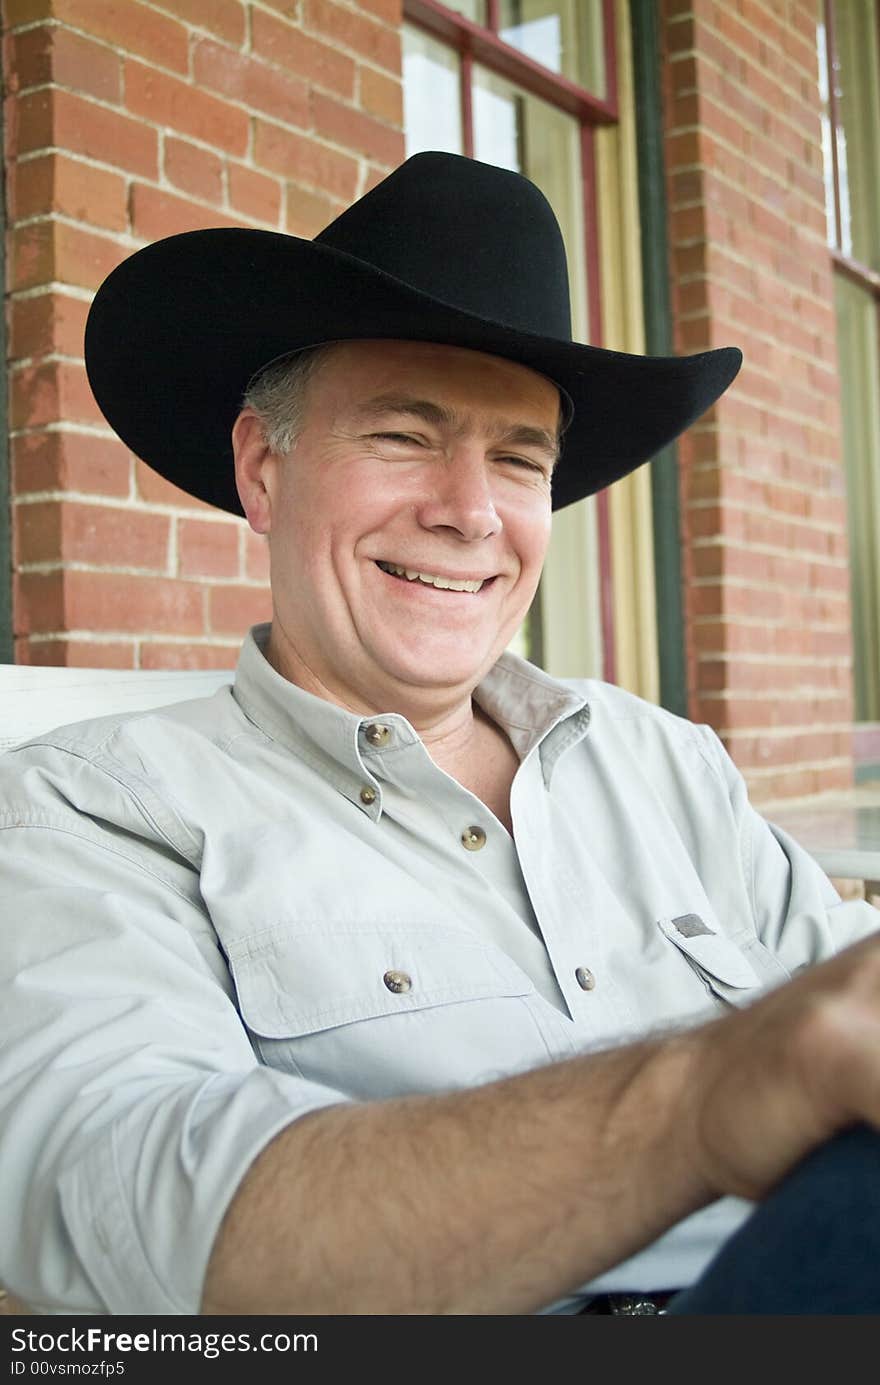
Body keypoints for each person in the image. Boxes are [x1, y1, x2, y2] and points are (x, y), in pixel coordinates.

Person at [0, 151, 878, 1318]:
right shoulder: (93, 809)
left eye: (519, 460)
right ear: (265, 471)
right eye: (404, 437)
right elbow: (144, 1219)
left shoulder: (666, 763)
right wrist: (699, 1098)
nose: (469, 510)